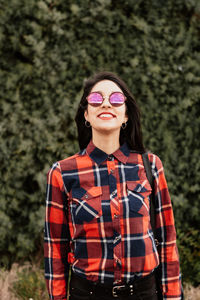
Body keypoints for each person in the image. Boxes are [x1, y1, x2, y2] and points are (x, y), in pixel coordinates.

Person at [44, 71, 182, 300]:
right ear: (86, 114)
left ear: (126, 114)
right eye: (96, 99)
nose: (106, 103)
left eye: (116, 99)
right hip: (87, 294)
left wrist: (173, 296)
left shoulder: (151, 166)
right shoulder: (62, 172)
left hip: (144, 293)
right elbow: (55, 250)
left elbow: (167, 238)